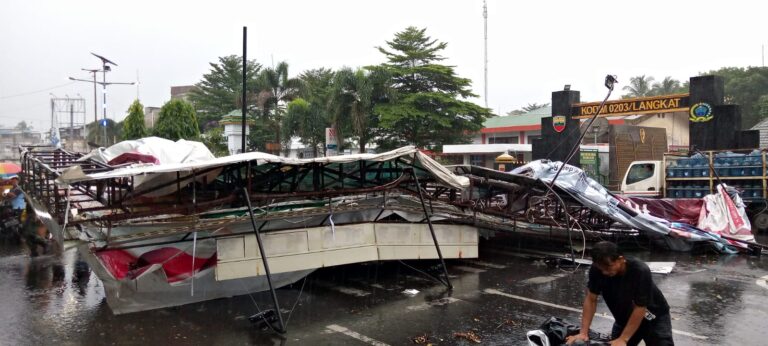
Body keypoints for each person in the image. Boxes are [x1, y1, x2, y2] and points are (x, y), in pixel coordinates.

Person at [566, 241, 673, 346]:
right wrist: (583, 333)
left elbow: (640, 307)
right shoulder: (597, 270)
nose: (605, 272)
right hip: (625, 318)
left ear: (620, 259)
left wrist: (623, 339)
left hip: (654, 318)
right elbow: (591, 299)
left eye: (608, 267)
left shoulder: (639, 270)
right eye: (601, 268)